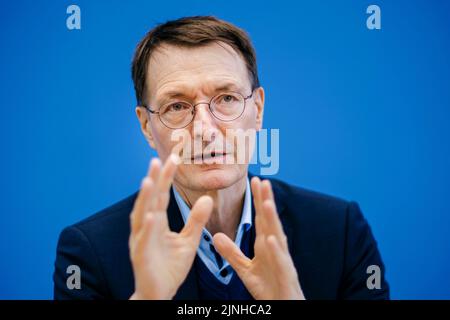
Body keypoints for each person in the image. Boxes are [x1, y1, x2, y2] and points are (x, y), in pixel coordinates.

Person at [53, 16, 389, 300]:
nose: (204, 129)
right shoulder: (89, 253)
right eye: (177, 106)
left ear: (257, 110)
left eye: (226, 98)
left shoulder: (340, 232)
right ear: (146, 126)